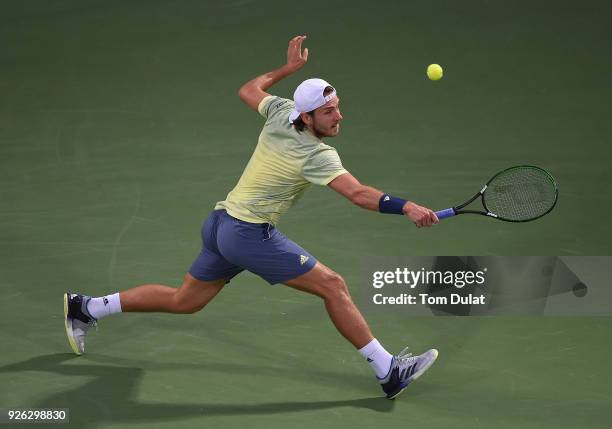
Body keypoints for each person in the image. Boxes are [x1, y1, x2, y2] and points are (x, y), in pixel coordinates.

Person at [64, 35, 440, 399]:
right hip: (246, 234)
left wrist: (287, 68)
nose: (338, 116)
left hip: (219, 225)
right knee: (333, 286)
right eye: (328, 112)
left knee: (185, 301)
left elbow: (248, 89)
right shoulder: (317, 155)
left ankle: (86, 307)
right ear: (307, 117)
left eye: (338, 106)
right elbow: (358, 194)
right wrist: (406, 206)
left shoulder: (280, 111)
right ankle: (387, 369)